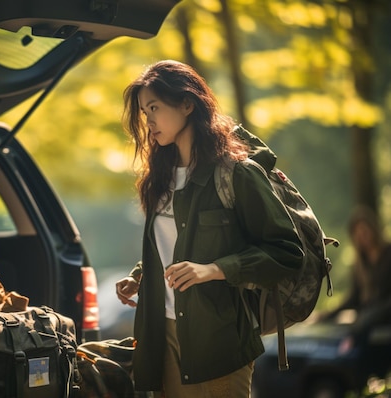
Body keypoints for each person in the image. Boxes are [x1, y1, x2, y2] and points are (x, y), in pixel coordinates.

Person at [114, 60, 304, 397]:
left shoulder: (236, 174)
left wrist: (214, 270)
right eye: (144, 112)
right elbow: (178, 243)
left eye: (154, 107)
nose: (149, 121)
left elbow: (286, 254)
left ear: (187, 103)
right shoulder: (160, 178)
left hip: (219, 342)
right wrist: (141, 275)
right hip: (163, 336)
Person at [324, 206, 391, 328]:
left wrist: (373, 315)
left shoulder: (388, 253)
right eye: (357, 233)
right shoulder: (360, 266)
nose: (362, 236)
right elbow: (354, 299)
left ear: (373, 229)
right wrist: (325, 316)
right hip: (367, 316)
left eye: (364, 231)